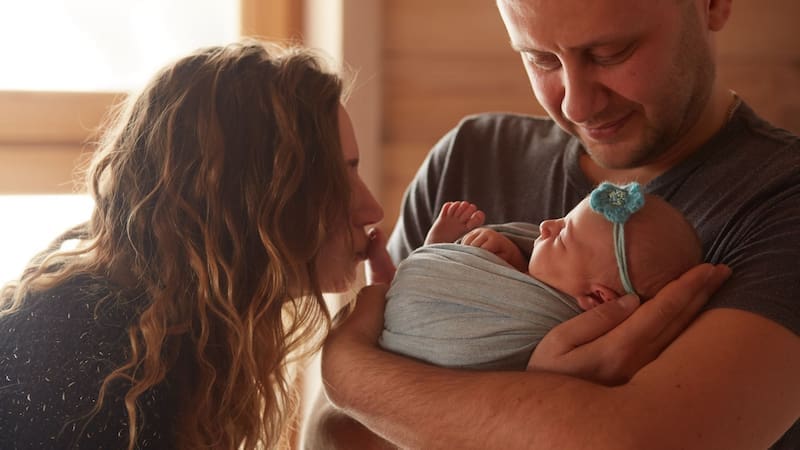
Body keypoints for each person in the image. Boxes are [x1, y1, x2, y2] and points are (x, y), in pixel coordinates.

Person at [310, 0, 800, 448]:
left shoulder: (780, 199)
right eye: (541, 59)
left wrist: (347, 368)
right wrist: (548, 405)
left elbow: (639, 442)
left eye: (610, 52)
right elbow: (334, 433)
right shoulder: (471, 156)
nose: (576, 106)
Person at [0, 40, 386, 450]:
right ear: (250, 197)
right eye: (341, 177)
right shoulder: (90, 369)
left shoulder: (174, 344)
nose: (372, 209)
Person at [381, 182, 703, 371]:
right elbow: (517, 282)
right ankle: (440, 254)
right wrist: (507, 256)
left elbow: (506, 322)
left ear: (597, 299)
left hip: (427, 339)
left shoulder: (561, 326)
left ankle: (436, 251)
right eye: (563, 218)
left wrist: (482, 263)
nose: (547, 224)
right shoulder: (557, 277)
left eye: (562, 235)